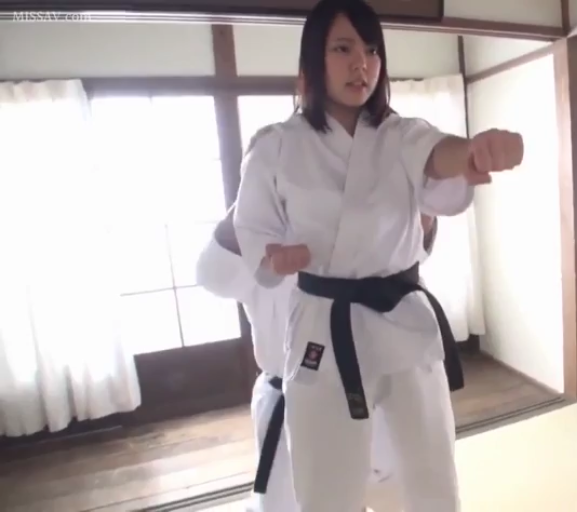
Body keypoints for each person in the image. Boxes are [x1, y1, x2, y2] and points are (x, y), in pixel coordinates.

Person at [231, 0, 524, 510]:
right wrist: (273, 257)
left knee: (428, 468)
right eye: (343, 49)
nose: (361, 64)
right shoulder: (276, 146)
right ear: (314, 60)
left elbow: (438, 155)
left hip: (401, 317)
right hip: (324, 322)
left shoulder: (401, 133)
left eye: (371, 51)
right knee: (325, 475)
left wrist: (474, 149)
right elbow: (253, 227)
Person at [196, 205, 439, 511]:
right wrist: (260, 192)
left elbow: (415, 243)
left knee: (406, 496)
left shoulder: (366, 199)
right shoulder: (257, 221)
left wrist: (420, 200)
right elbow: (213, 274)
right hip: (292, 400)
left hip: (382, 390)